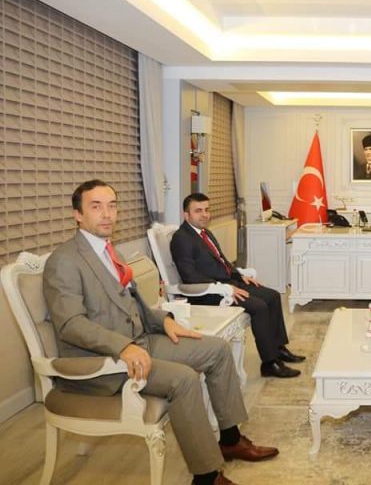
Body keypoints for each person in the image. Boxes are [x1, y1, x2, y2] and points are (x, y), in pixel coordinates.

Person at [43, 180, 275, 485]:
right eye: (96, 206)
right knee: (184, 379)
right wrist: (123, 347)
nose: (107, 214)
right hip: (103, 360)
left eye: (112, 206)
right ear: (77, 214)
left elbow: (135, 302)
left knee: (217, 349)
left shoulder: (110, 251)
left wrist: (164, 320)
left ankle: (230, 440)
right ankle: (206, 477)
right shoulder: (64, 261)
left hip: (141, 341)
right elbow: (71, 324)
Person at [171, 193, 305, 379]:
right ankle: (269, 363)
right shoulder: (181, 238)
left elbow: (223, 263)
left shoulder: (205, 233)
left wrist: (240, 275)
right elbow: (189, 276)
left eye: (207, 210)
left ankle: (278, 348)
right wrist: (223, 287)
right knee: (259, 306)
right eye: (198, 211)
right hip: (209, 292)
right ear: (186, 215)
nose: (204, 215)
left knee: (273, 296)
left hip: (227, 283)